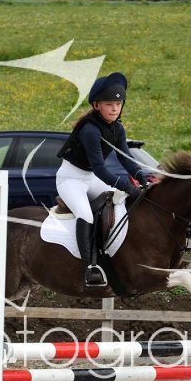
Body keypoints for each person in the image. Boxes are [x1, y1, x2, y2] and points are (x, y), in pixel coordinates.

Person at [56, 72, 151, 286]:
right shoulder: (90, 130)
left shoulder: (117, 128)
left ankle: (113, 254)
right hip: (70, 179)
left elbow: (125, 158)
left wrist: (141, 178)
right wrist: (125, 185)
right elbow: (100, 168)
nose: (115, 109)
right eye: (109, 104)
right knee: (85, 214)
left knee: (120, 204)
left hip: (90, 178)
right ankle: (89, 268)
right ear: (97, 105)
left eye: (118, 104)